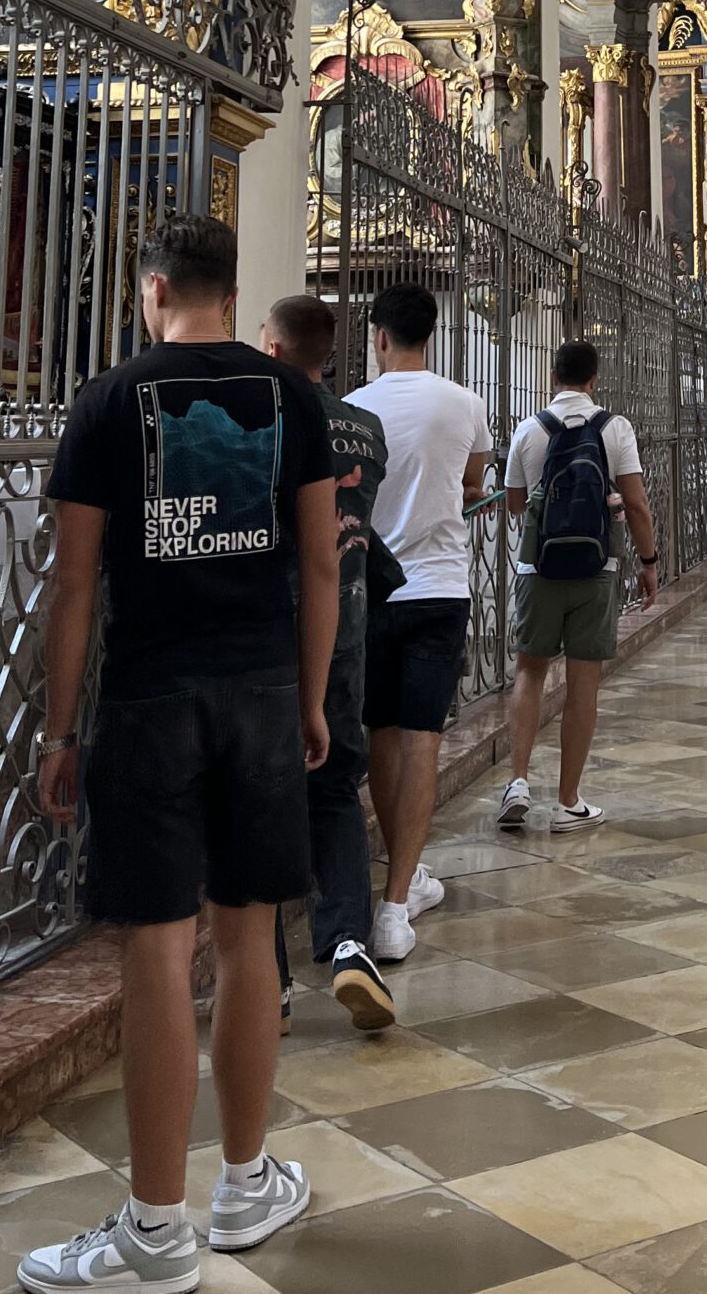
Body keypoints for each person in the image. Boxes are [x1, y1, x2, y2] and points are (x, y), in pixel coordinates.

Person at [21, 216, 341, 1289]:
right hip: (260, 689)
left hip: (149, 695)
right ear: (228, 292)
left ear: (153, 288)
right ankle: (246, 1184)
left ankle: (156, 1229)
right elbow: (322, 565)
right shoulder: (291, 395)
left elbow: (73, 582)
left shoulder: (108, 399)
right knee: (251, 938)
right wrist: (308, 698)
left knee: (156, 951)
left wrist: (60, 729)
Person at [260, 296, 397, 1035]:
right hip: (346, 629)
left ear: (273, 351)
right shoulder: (366, 428)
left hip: (275, 631)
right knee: (337, 789)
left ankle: (271, 985)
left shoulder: (266, 419)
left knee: (260, 797)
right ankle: (349, 943)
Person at [348, 284, 491, 965]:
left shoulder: (354, 408)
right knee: (424, 739)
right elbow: (472, 484)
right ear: (431, 334)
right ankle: (397, 901)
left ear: (378, 336)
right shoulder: (464, 403)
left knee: (380, 734)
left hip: (375, 590)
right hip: (439, 589)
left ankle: (400, 881)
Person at [496, 339, 659, 833]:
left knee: (530, 671)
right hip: (596, 567)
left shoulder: (530, 429)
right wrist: (649, 562)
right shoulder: (614, 428)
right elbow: (637, 504)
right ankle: (568, 803)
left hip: (538, 568)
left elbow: (515, 505)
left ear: (553, 376)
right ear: (594, 380)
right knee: (583, 684)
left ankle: (518, 782)